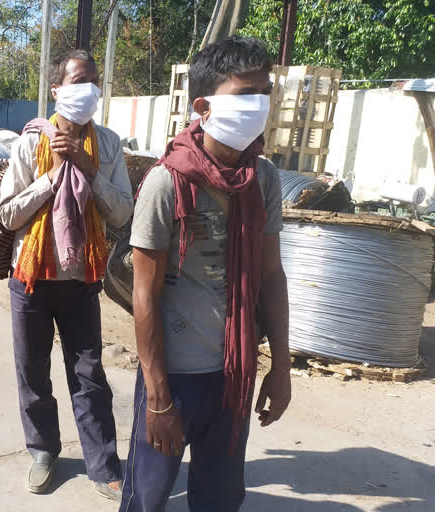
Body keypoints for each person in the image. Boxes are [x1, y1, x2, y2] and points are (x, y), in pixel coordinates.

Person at [119, 36, 291, 512]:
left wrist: (280, 365)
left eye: (265, 93)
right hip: (174, 379)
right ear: (204, 106)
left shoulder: (264, 179)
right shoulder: (166, 182)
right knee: (147, 500)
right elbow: (145, 297)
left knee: (218, 501)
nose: (259, 106)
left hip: (232, 376)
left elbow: (270, 277)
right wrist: (158, 400)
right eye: (245, 95)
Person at [0, 49, 134, 501]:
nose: (87, 90)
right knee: (32, 371)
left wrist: (88, 169)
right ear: (57, 90)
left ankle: (102, 464)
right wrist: (51, 177)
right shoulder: (28, 144)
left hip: (81, 280)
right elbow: (7, 216)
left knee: (89, 375)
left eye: (93, 81)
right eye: (78, 81)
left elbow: (121, 214)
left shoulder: (109, 145)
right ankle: (43, 451)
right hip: (31, 279)